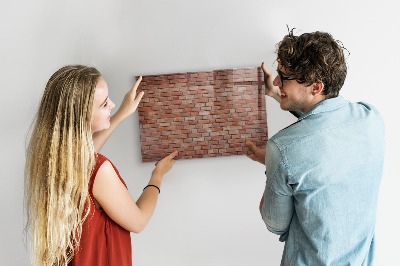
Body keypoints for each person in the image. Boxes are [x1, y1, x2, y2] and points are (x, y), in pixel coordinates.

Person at [246, 30, 385, 265]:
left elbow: (275, 224)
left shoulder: (282, 149)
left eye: (284, 77)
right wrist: (277, 94)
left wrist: (273, 164)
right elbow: (325, 126)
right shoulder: (371, 118)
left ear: (316, 86)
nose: (277, 81)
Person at [24, 65, 178, 266]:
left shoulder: (53, 160)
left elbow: (86, 157)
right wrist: (157, 176)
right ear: (82, 117)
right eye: (105, 104)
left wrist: (122, 113)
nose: (113, 104)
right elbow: (138, 221)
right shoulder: (100, 170)